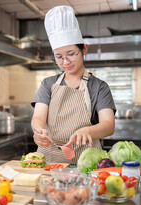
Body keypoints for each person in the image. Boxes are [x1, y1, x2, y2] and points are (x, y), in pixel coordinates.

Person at [31, 6, 116, 164]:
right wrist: (38, 131)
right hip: (50, 160)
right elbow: (38, 117)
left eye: (71, 54)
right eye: (59, 57)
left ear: (84, 49)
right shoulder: (48, 84)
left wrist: (87, 130)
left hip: (86, 159)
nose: (65, 62)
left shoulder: (99, 87)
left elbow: (108, 125)